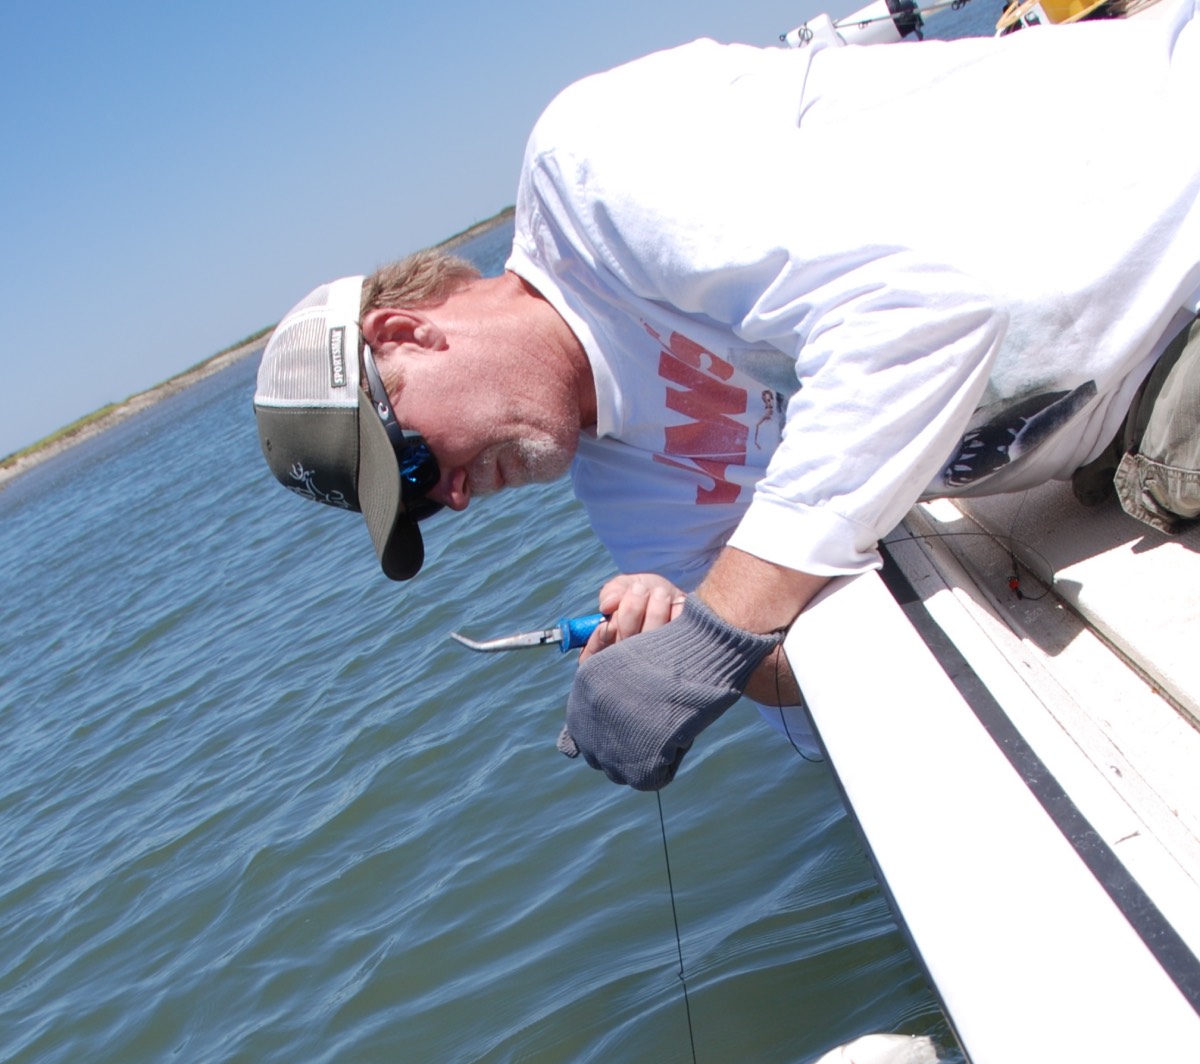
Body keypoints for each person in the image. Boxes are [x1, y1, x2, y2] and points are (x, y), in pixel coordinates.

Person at [253, 0, 1200, 791]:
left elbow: (927, 312)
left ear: (405, 335)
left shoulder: (594, 177)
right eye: (424, 503)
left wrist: (721, 623)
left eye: (413, 459)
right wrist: (695, 626)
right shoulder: (628, 488)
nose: (452, 493)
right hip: (1137, 418)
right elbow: (784, 663)